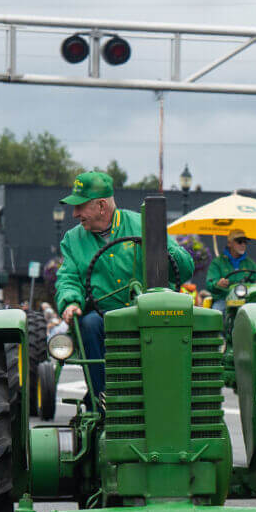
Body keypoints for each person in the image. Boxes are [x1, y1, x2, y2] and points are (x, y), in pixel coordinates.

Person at [55, 171, 193, 401]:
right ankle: (101, 399)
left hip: (148, 313)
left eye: (80, 207)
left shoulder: (142, 224)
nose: (75, 213)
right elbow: (68, 276)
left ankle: (173, 397)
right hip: (103, 315)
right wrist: (70, 301)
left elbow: (185, 269)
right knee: (88, 324)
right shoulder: (72, 239)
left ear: (101, 206)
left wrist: (164, 245)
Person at [205, 229, 256, 312]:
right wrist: (218, 284)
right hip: (224, 300)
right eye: (239, 242)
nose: (243, 245)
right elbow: (209, 284)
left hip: (247, 301)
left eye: (245, 242)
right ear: (229, 243)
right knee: (217, 312)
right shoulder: (217, 263)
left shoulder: (250, 263)